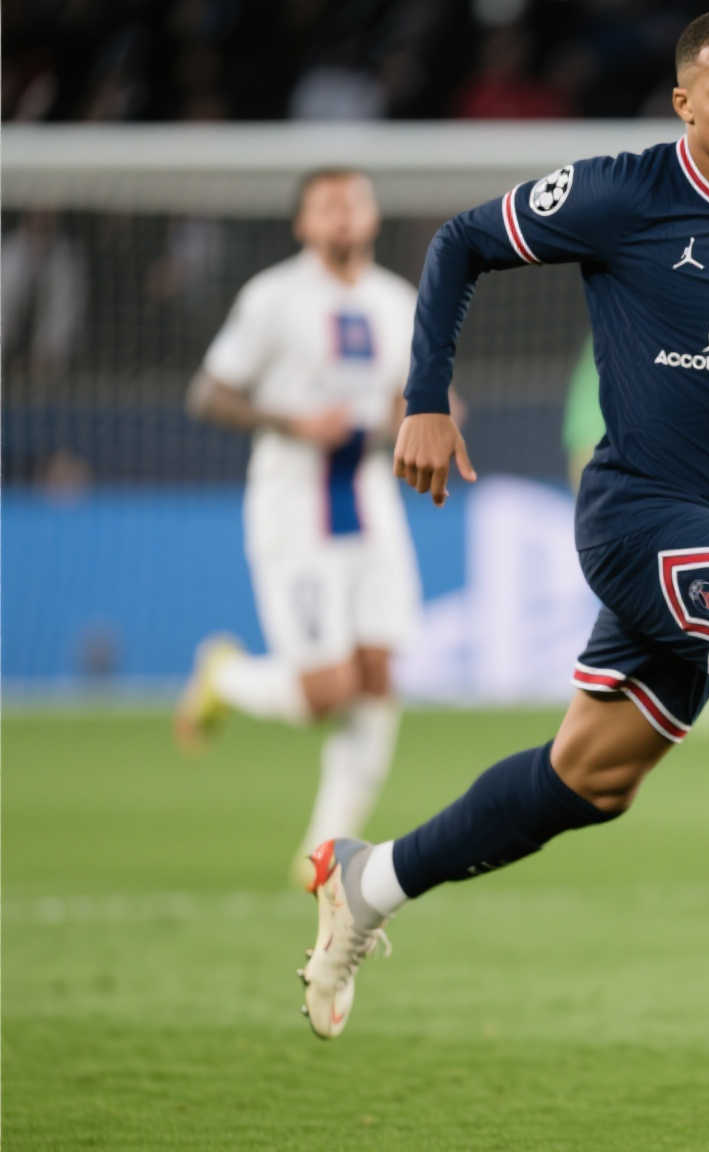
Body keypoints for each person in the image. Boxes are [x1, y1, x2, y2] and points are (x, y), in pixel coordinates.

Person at [298, 8, 709, 1083]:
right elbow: (460, 241)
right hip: (641, 517)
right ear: (684, 103)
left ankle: (368, 881)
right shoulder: (623, 193)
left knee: (587, 782)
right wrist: (424, 399)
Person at [176, 168, 421, 890]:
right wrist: (290, 421)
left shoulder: (397, 301)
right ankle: (225, 677)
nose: (343, 214)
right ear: (303, 224)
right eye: (327, 205)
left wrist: (425, 418)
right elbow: (208, 393)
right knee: (324, 694)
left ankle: (323, 853)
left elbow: (414, 399)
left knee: (377, 676)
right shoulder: (273, 297)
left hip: (371, 500)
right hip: (293, 504)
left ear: (372, 215)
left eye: (354, 201)